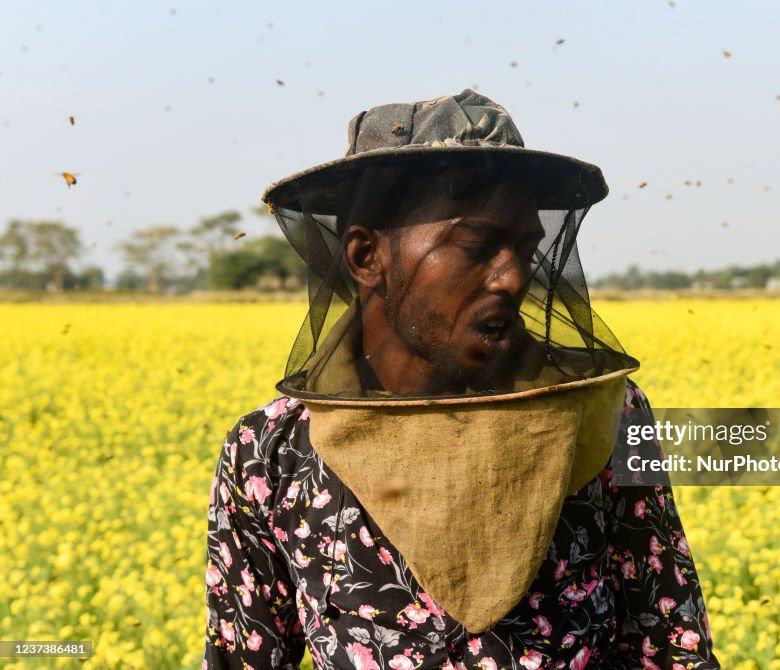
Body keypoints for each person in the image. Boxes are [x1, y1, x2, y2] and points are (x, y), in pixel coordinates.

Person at [203, 90, 720, 669]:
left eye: (526, 250)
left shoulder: (605, 414)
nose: (512, 278)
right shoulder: (269, 451)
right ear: (366, 256)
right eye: (476, 245)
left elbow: (670, 638)